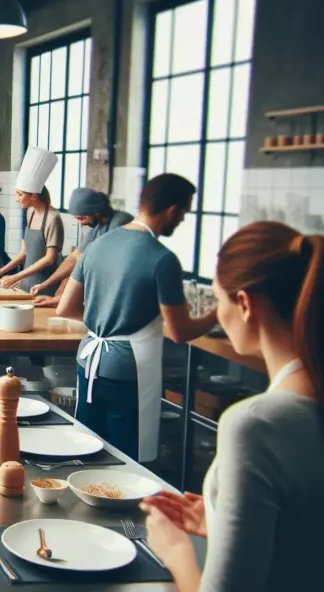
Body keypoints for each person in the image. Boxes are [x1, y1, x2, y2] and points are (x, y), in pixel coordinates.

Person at [140, 222, 324, 592]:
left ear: (244, 304)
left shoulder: (255, 424)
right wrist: (219, 521)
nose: (217, 312)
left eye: (219, 301)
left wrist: (175, 551)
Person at [56, 173, 217, 462]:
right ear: (172, 211)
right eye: (184, 213)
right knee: (127, 460)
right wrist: (220, 313)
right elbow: (180, 331)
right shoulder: (162, 258)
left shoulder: (96, 245)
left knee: (88, 448)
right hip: (129, 368)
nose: (181, 221)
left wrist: (103, 320)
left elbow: (65, 308)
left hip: (89, 358)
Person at [30, 187, 133, 307]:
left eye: (81, 218)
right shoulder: (98, 227)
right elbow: (75, 257)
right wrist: (45, 285)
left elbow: (102, 268)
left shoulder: (120, 222)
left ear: (96, 212)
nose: (81, 223)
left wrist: (61, 299)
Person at [0, 147, 64, 294]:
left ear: (34, 196)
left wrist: (16, 276)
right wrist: (3, 271)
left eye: (20, 195)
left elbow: (50, 259)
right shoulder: (30, 212)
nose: (16, 199)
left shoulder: (53, 218)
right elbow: (24, 253)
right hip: (26, 282)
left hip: (43, 287)